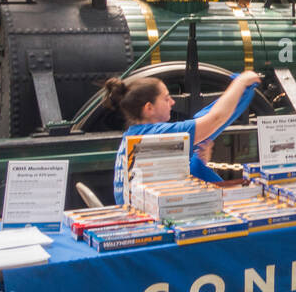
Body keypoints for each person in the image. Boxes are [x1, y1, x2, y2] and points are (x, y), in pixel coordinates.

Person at [103, 71, 261, 205]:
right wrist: (241, 82)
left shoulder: (133, 134)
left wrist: (199, 163)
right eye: (166, 99)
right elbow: (215, 118)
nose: (172, 102)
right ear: (149, 108)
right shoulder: (156, 134)